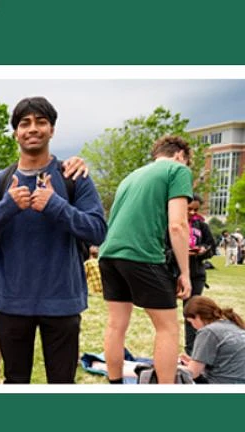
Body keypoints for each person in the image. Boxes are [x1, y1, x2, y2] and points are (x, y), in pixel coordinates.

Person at [0, 96, 107, 384]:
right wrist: (7, 206)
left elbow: (98, 231)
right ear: (16, 132)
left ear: (52, 130)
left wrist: (56, 205)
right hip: (11, 301)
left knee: (62, 381)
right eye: (24, 123)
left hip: (62, 300)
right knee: (16, 380)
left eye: (41, 122)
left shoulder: (73, 176)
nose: (33, 129)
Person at [99, 134, 194, 384]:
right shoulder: (177, 170)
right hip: (141, 255)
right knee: (168, 328)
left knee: (116, 325)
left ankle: (115, 384)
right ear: (180, 155)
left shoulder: (131, 177)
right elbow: (178, 225)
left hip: (109, 255)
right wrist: (185, 273)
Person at [179, 296, 245, 384]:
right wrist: (194, 361)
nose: (193, 327)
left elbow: (192, 373)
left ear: (197, 317)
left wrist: (175, 367)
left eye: (191, 322)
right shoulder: (234, 326)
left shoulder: (208, 331)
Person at [185, 195, 215, 353]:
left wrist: (202, 251)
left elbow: (211, 247)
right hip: (172, 273)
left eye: (195, 210)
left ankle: (191, 350)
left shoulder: (201, 225)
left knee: (192, 312)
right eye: (188, 209)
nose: (191, 213)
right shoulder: (169, 224)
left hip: (196, 273)